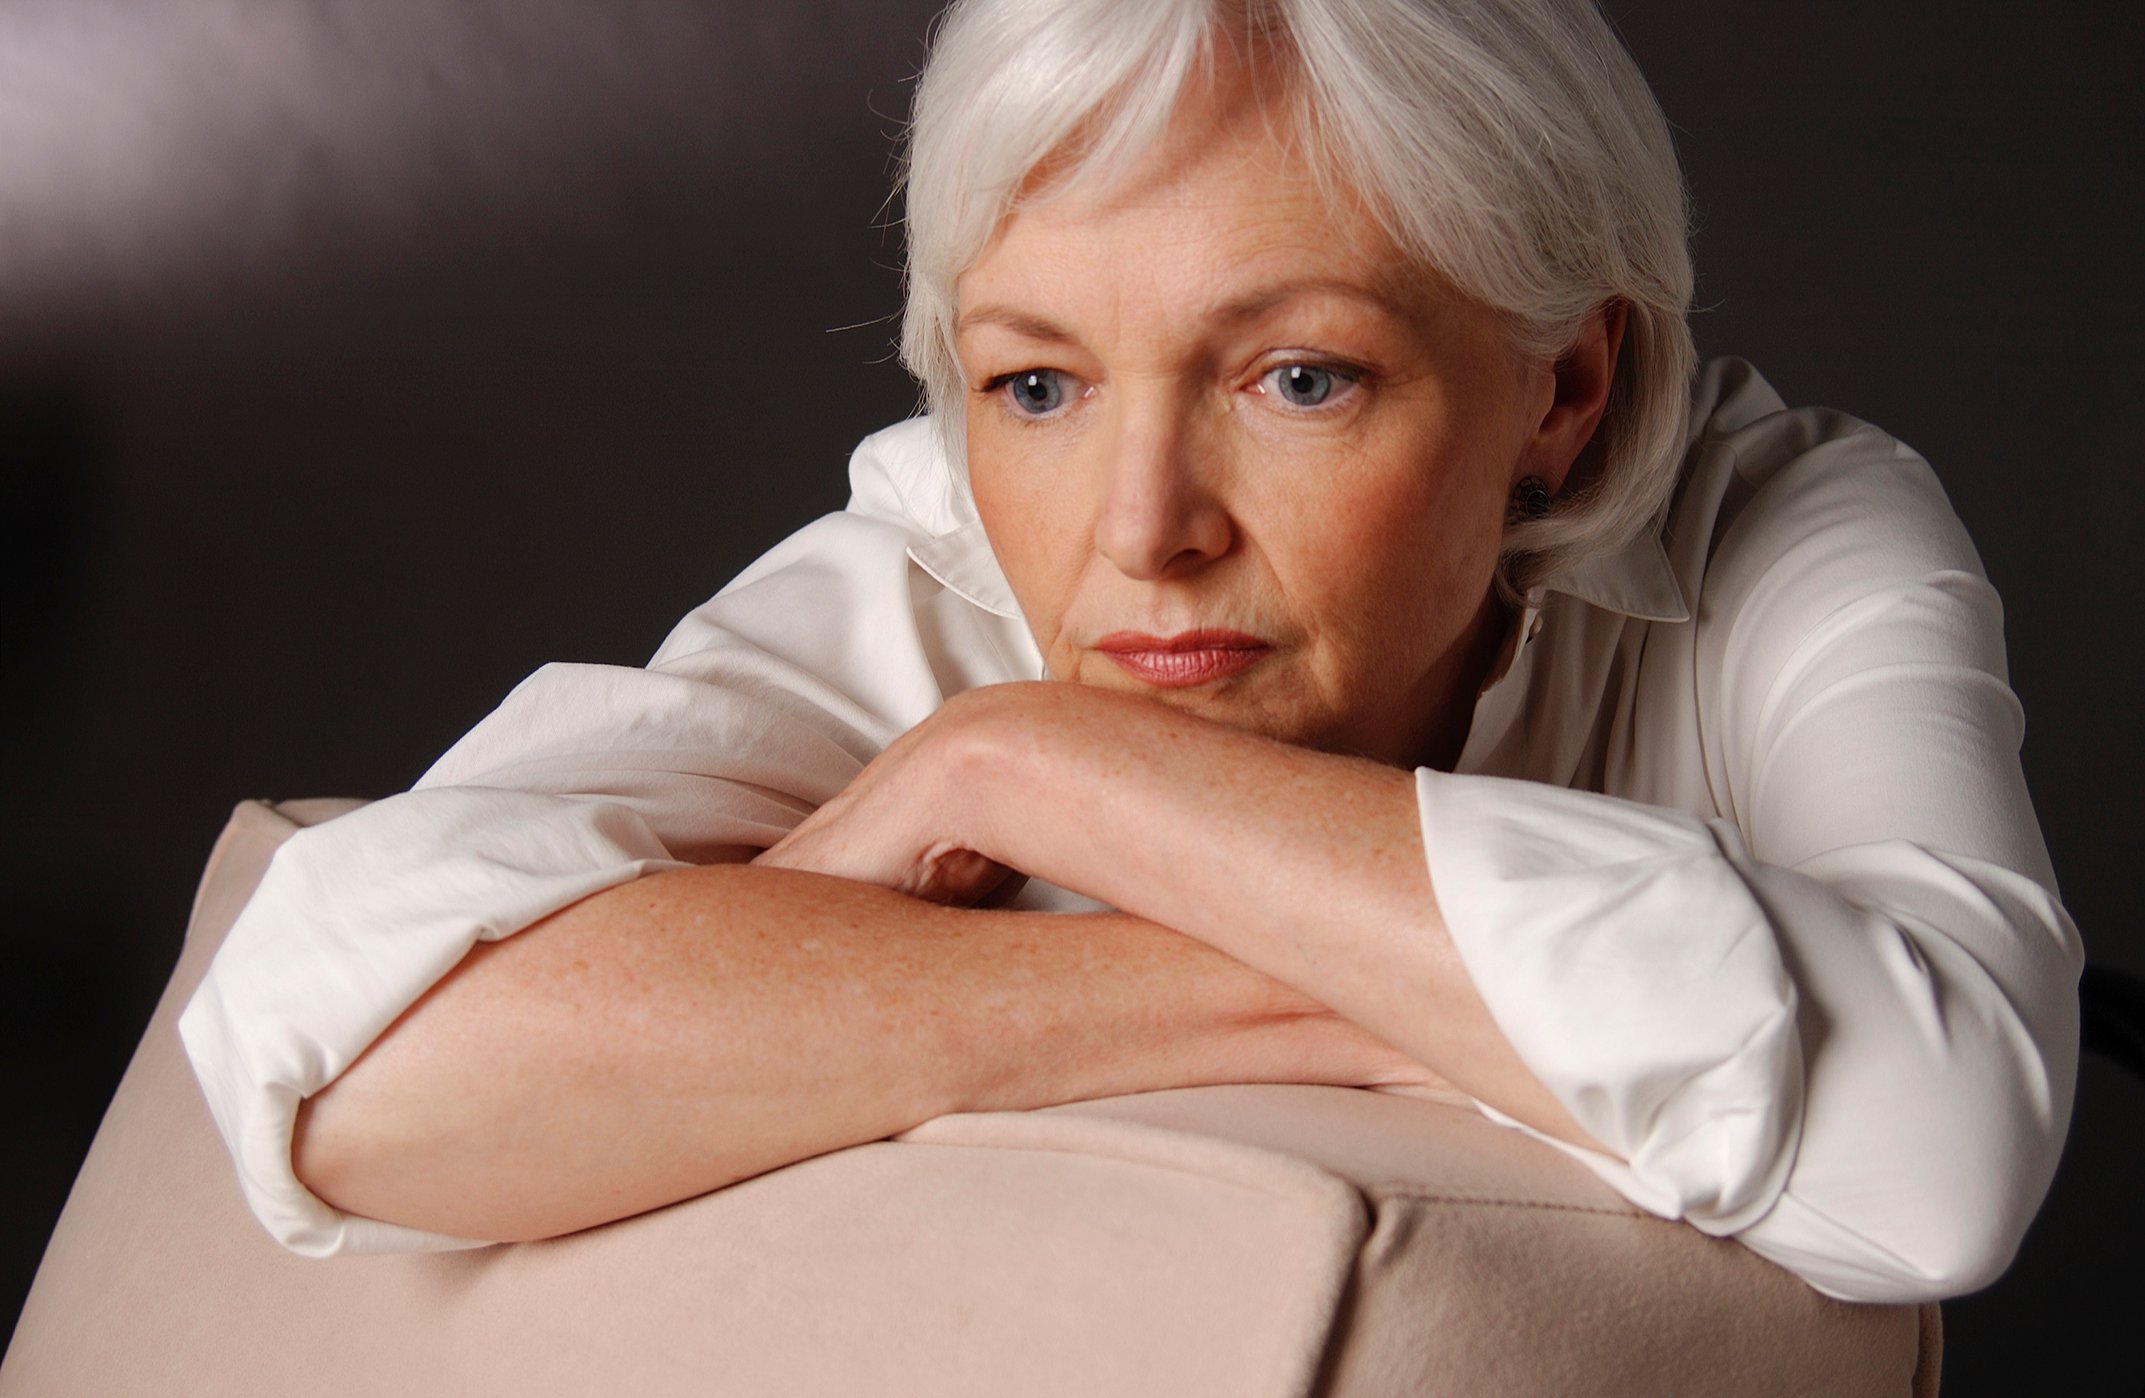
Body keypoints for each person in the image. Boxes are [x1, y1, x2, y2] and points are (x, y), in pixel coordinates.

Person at [179, 0, 2080, 1305]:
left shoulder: (1787, 532)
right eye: (1035, 382)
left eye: (1297, 375)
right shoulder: (922, 577)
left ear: (1560, 392)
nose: (1136, 525)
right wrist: (1360, 1002)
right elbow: (356, 1072)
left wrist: (1036, 767)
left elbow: (1940, 1150)